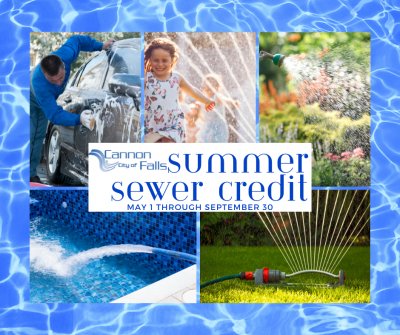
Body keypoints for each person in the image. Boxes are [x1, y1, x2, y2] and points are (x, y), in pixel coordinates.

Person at [30, 35, 115, 183]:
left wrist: (101, 45)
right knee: (34, 136)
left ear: (64, 64)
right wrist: (79, 118)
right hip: (31, 100)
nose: (58, 83)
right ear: (45, 75)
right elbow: (55, 115)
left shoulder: (66, 54)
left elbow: (77, 40)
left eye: (61, 78)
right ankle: (29, 175)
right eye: (53, 81)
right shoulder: (41, 85)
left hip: (45, 96)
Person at [144, 38, 215, 143]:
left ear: (172, 60)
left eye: (164, 60)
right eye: (156, 60)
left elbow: (193, 91)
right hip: (152, 125)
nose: (160, 64)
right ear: (150, 59)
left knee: (169, 142)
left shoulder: (176, 78)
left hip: (173, 124)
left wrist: (206, 101)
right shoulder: (146, 79)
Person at [196, 74, 239, 143]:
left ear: (217, 87)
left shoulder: (217, 97)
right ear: (203, 86)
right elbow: (200, 116)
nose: (209, 87)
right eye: (206, 84)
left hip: (218, 130)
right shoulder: (202, 100)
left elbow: (224, 99)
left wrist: (233, 102)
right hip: (206, 129)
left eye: (211, 84)